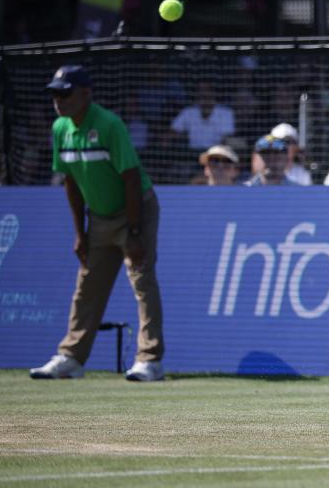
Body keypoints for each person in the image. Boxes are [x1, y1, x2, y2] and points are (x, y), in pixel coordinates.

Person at [30, 65, 165, 382]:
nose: (59, 100)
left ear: (86, 93)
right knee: (87, 286)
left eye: (65, 93)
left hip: (136, 210)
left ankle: (150, 360)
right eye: (55, 94)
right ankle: (71, 358)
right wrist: (81, 232)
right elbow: (71, 182)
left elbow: (131, 179)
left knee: (142, 282)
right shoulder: (60, 129)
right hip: (99, 218)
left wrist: (133, 232)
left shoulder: (109, 125)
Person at [170, 80, 236, 151]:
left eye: (206, 90)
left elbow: (227, 138)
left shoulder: (226, 113)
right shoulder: (188, 112)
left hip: (215, 155)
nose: (203, 93)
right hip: (192, 154)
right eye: (200, 90)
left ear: (213, 92)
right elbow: (173, 131)